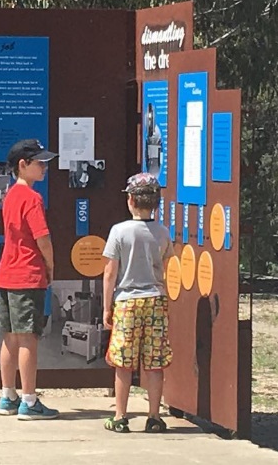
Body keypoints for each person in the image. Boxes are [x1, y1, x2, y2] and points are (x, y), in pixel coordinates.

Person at [102, 172, 174, 433]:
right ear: (155, 203)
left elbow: (110, 272)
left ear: (130, 200)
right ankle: (154, 416)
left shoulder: (119, 231)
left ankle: (120, 416)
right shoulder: (163, 232)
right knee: (154, 361)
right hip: (155, 300)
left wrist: (106, 307)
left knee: (123, 361)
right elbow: (166, 265)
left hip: (127, 301)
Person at [0, 138, 59, 421]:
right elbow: (41, 237)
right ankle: (29, 401)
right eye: (39, 162)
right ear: (23, 165)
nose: (44, 167)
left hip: (7, 272)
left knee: (9, 337)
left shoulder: (10, 195)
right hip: (27, 273)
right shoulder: (32, 198)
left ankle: (8, 395)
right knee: (28, 339)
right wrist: (50, 264)